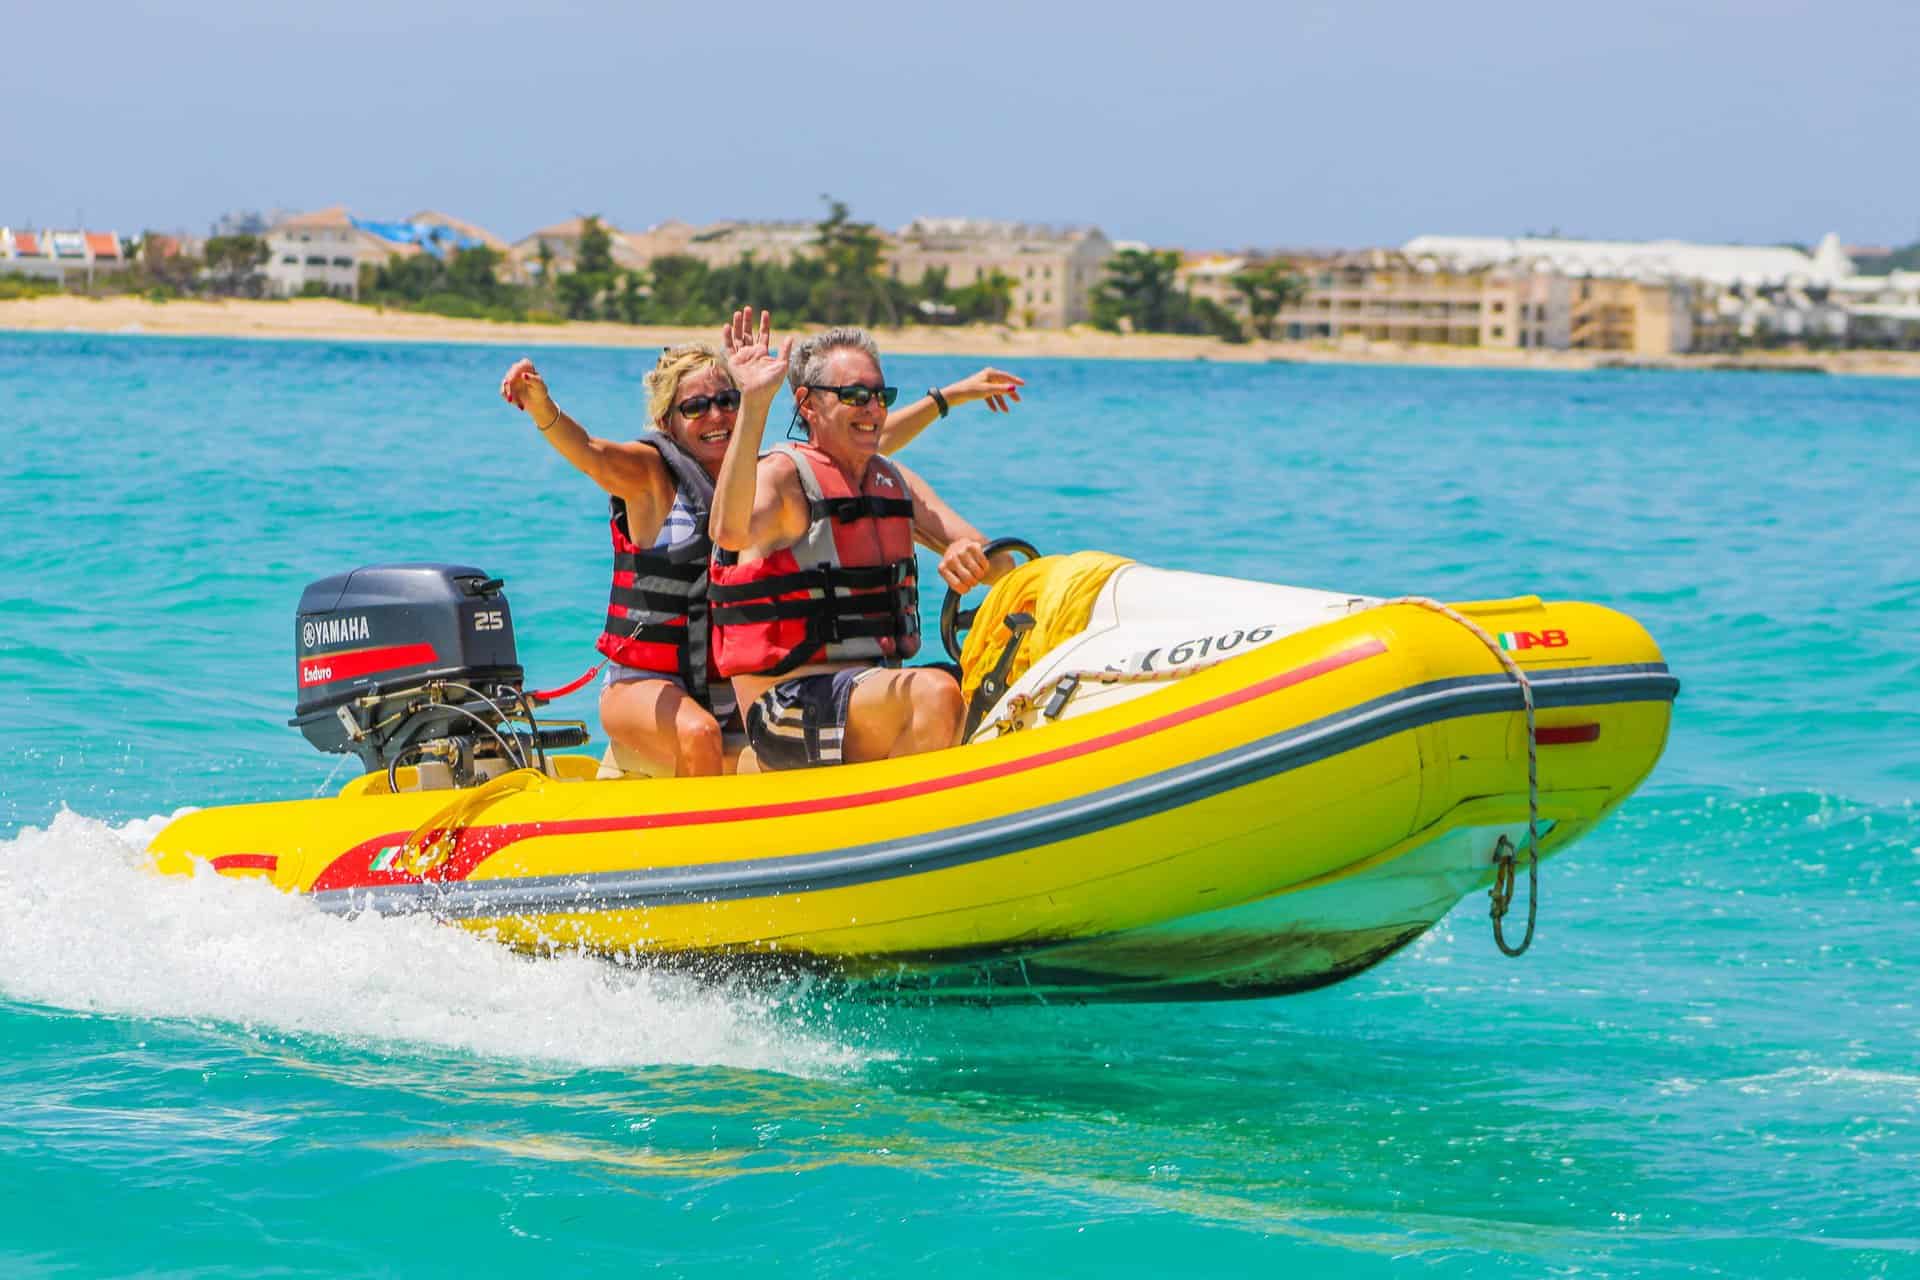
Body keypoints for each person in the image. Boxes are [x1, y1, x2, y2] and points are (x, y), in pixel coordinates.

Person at [501, 344, 1022, 778]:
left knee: (751, 758)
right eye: (696, 407)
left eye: (727, 401)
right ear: (668, 421)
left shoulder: (762, 479)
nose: (716, 416)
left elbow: (860, 443)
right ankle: (699, 870)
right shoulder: (651, 475)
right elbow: (591, 452)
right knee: (699, 734)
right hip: (647, 683)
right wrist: (541, 407)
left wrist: (948, 397)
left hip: (732, 685)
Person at [708, 309, 1014, 772]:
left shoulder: (892, 481)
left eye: (880, 395)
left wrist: (966, 556)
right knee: (933, 692)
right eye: (854, 396)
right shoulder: (785, 479)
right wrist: (753, 402)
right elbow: (729, 531)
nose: (872, 408)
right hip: (784, 707)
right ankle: (904, 831)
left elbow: (1004, 567)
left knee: (1006, 683)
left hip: (872, 691)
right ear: (808, 405)